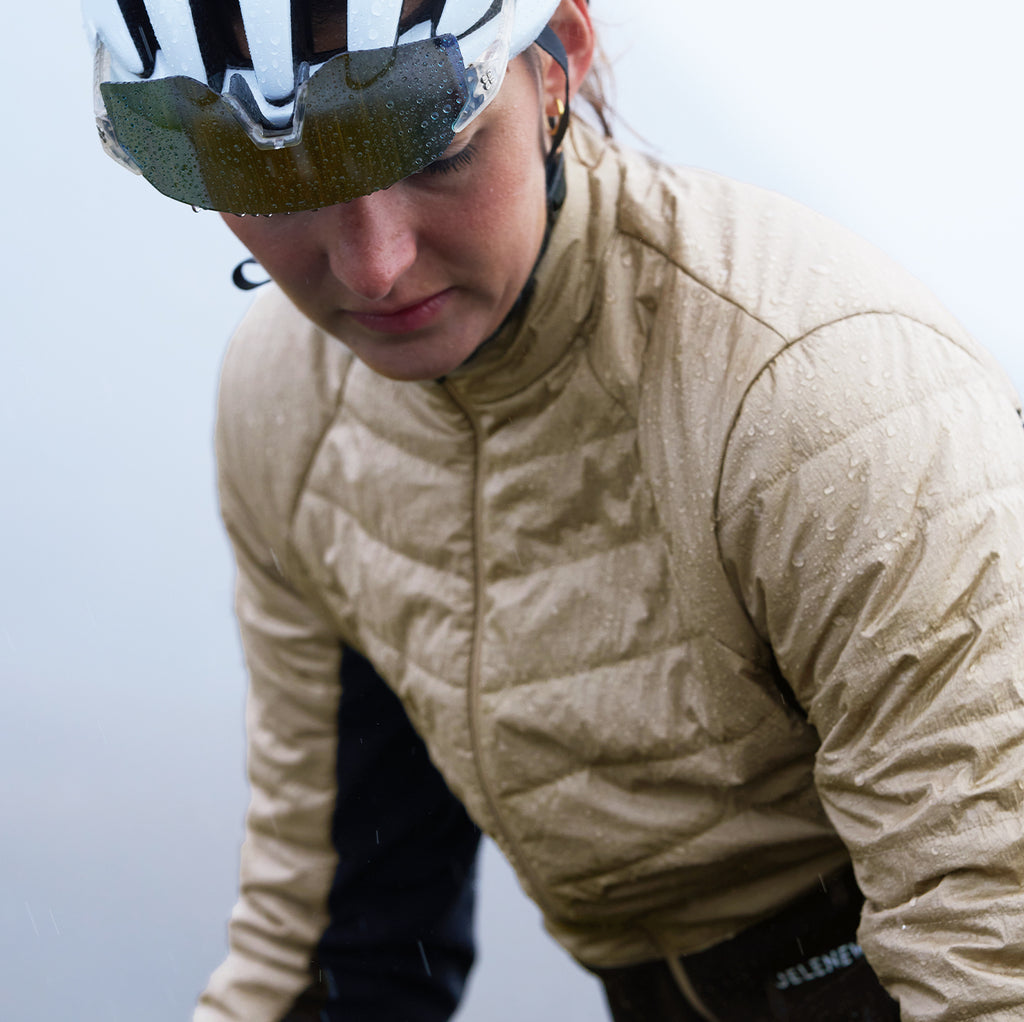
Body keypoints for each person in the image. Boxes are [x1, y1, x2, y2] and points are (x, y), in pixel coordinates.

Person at [83, 0, 1024, 1019]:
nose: (372, 265)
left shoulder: (817, 399)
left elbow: (992, 940)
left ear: (558, 59)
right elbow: (336, 945)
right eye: (269, 176)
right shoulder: (291, 398)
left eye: (433, 148)